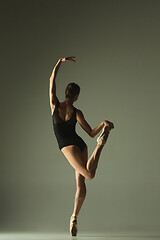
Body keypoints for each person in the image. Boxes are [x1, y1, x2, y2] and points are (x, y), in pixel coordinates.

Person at [49, 56, 114, 236]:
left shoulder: (54, 104)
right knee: (82, 181)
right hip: (80, 145)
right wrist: (102, 124)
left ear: (65, 93)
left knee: (88, 176)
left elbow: (51, 80)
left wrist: (59, 62)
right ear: (77, 96)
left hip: (68, 147)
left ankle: (101, 145)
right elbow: (91, 133)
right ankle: (74, 218)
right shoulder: (77, 112)